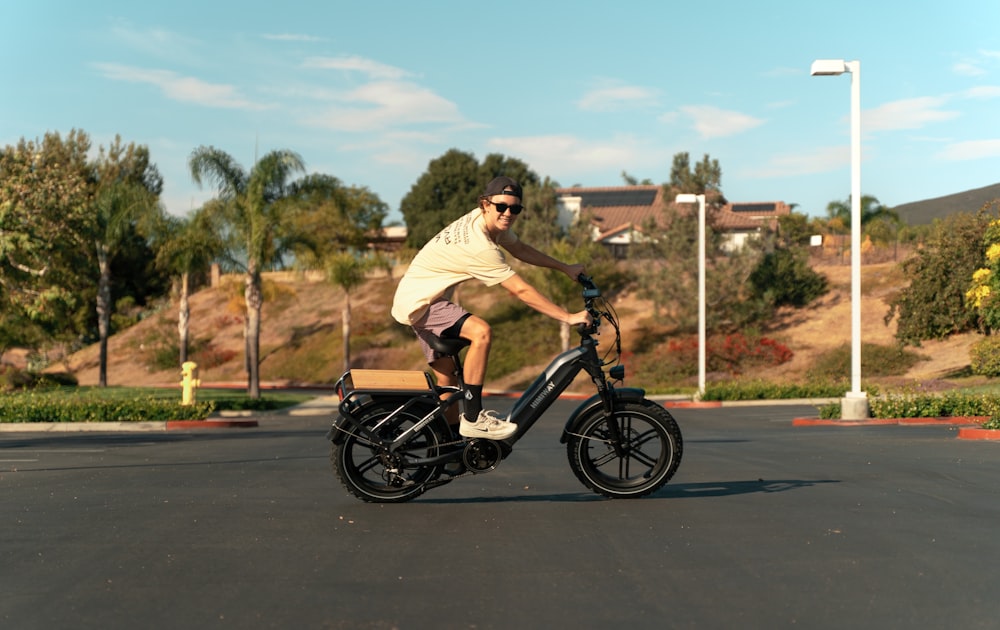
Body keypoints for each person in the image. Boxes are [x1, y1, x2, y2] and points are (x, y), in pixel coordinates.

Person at [391, 176, 593, 440]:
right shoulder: (479, 246)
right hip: (424, 303)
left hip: (417, 299)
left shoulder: (485, 221)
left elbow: (519, 248)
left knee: (448, 382)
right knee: (481, 332)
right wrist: (567, 317)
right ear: (485, 204)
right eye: (502, 207)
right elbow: (521, 291)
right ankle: (474, 418)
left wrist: (564, 267)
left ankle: (447, 444)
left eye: (515, 208)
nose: (508, 213)